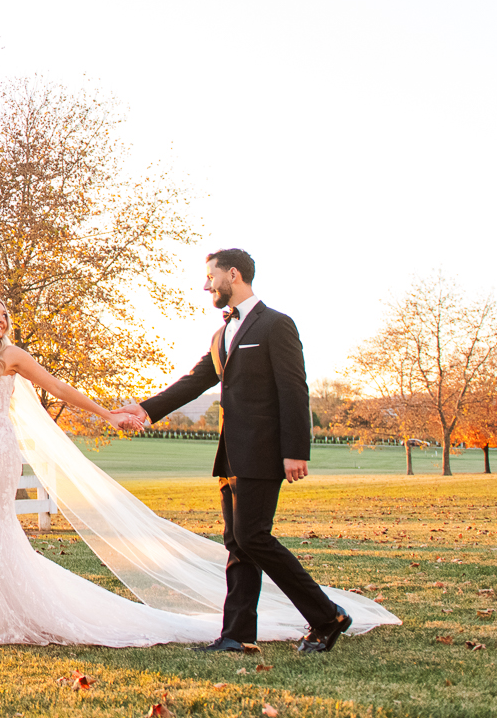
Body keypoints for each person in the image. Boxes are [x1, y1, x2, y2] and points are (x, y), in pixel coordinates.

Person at [0, 289, 396, 650]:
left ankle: (9, 621)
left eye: (5, 312)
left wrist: (110, 413)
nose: (1, 318)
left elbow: (63, 390)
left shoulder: (12, 358)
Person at [122, 248, 352, 654]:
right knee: (236, 543)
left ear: (234, 274)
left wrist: (296, 451)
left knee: (253, 537)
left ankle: (327, 616)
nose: (205, 285)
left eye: (210, 276)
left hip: (265, 453)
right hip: (230, 455)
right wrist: (145, 409)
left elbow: (295, 391)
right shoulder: (221, 333)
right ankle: (237, 635)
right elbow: (193, 382)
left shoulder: (276, 324)